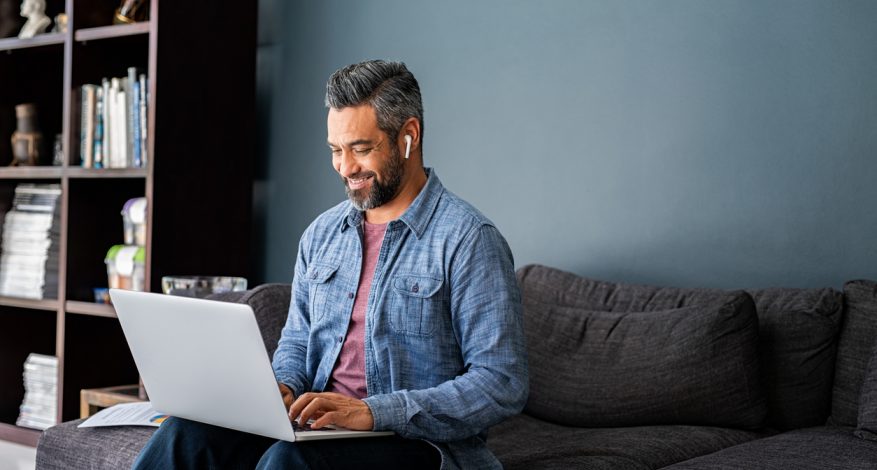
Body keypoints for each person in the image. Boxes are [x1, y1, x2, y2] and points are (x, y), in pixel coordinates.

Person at [132, 59, 528, 469]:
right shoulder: (322, 235)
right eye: (336, 150)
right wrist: (282, 386)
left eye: (361, 149)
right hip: (320, 429)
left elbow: (501, 382)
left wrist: (374, 412)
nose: (345, 167)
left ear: (409, 136)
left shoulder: (468, 239)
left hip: (419, 445)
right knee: (185, 433)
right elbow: (298, 341)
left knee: (291, 461)